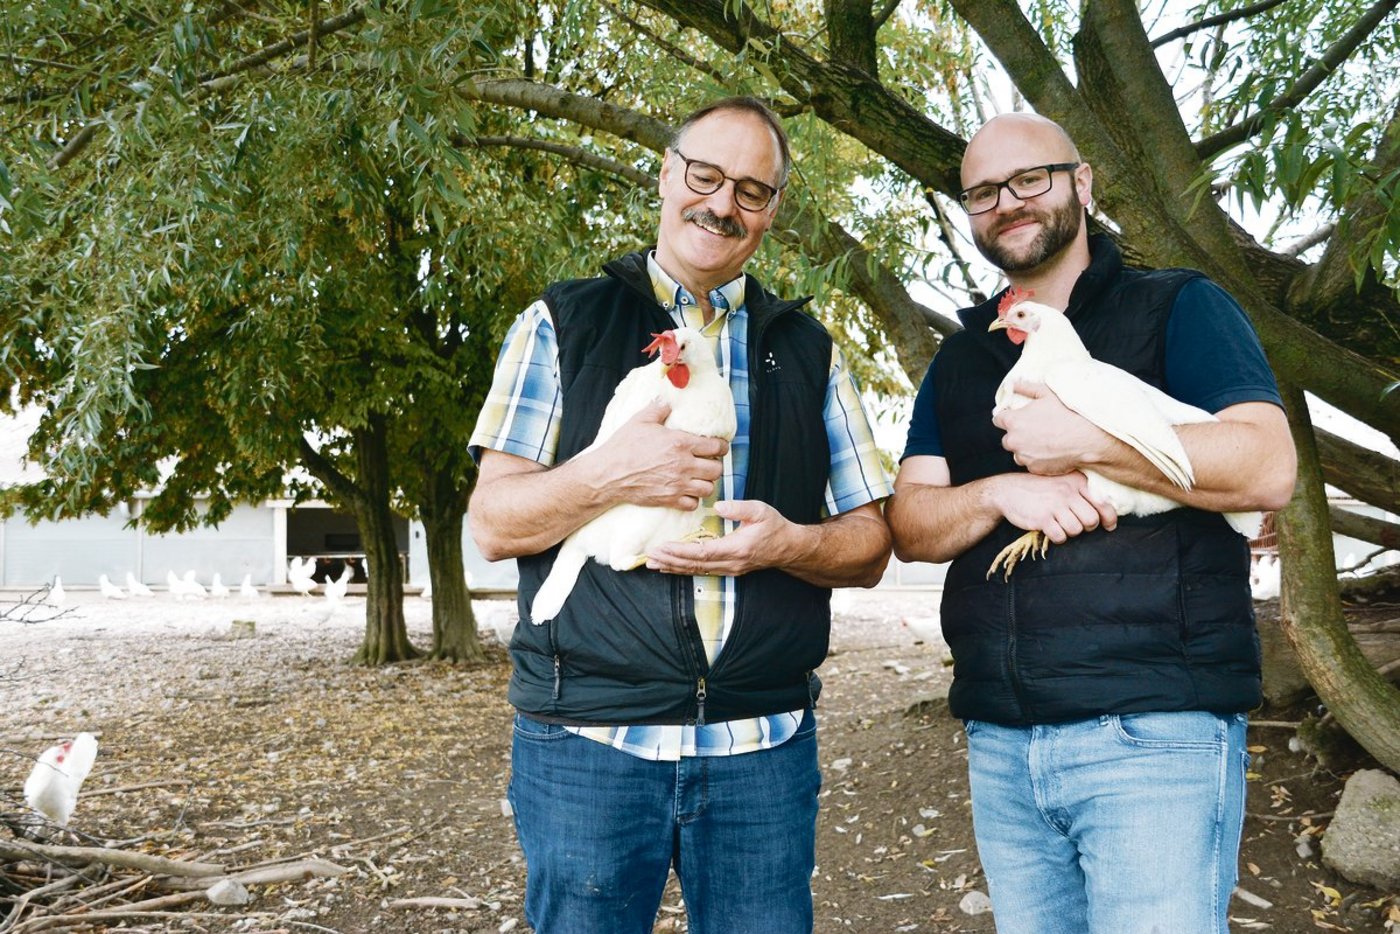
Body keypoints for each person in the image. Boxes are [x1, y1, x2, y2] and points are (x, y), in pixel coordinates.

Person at [467, 96, 893, 934]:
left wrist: (789, 543)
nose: (723, 203)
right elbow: (493, 525)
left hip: (760, 744)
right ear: (668, 176)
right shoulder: (562, 323)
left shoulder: (809, 351)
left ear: (772, 211)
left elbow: (871, 541)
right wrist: (607, 473)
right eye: (705, 174)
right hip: (591, 741)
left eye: (752, 189)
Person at [886, 112, 1296, 934]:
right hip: (1003, 741)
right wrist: (999, 493)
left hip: (1155, 729)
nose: (1008, 202)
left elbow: (1268, 465)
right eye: (983, 193)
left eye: (1029, 179)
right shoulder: (964, 357)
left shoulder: (1179, 305)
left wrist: (1090, 443)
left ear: (1082, 182)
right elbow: (911, 524)